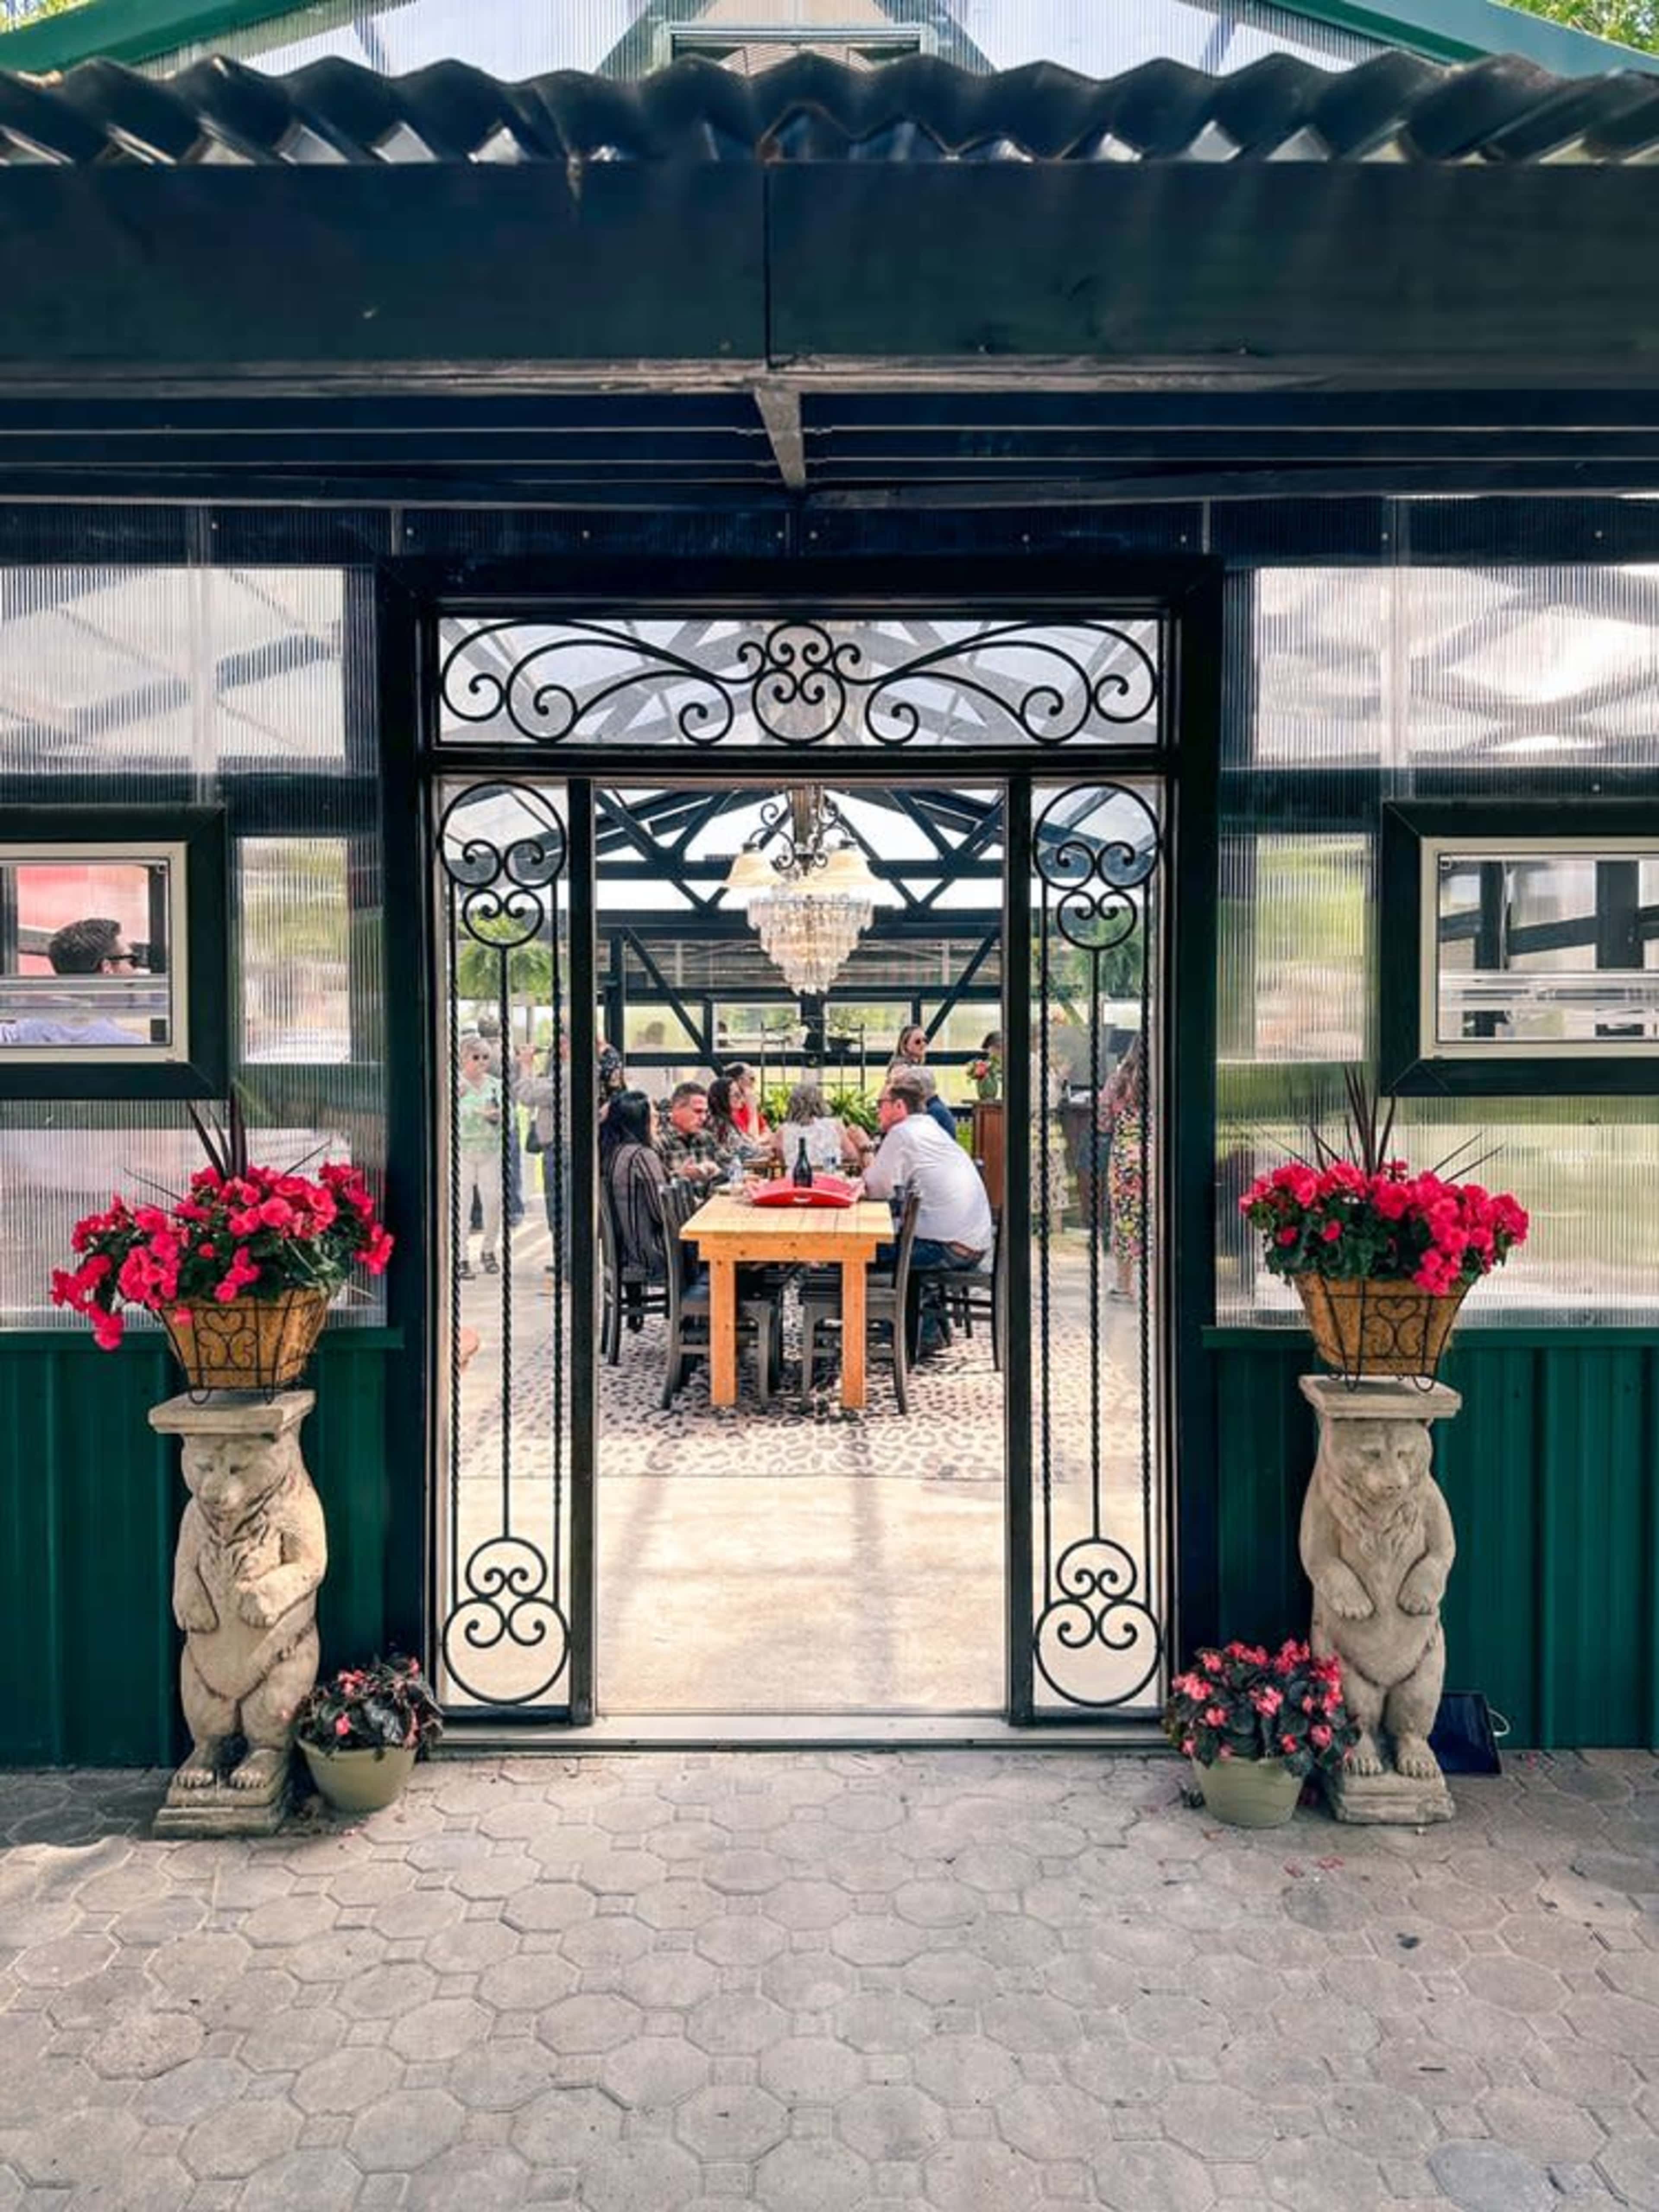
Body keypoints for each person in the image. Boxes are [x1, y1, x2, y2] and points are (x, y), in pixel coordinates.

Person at [861, 1069, 994, 1279]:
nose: (877, 1111)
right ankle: (909, 1309)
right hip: (973, 1244)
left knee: (851, 1251)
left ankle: (860, 1309)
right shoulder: (930, 1127)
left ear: (899, 1106)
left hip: (947, 1250)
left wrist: (865, 1150)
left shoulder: (903, 1133)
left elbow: (873, 1189)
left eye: (880, 1104)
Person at [2, 916, 147, 1046]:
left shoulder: (17, 1037)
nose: (135, 972)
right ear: (107, 967)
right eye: (132, 961)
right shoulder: (132, 1047)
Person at [601, 1089, 671, 1321]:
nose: (658, 1118)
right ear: (640, 1121)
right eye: (653, 1115)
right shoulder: (642, 1156)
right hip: (649, 1252)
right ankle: (699, 1323)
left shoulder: (612, 1153)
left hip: (625, 1250)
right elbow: (662, 1214)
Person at [455, 1034, 504, 1279]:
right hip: (463, 1150)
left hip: (490, 1150)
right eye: (477, 1057)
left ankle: (488, 1250)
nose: (482, 1062)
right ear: (464, 1058)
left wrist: (497, 1117)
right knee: (462, 1204)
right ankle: (461, 1256)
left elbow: (509, 1118)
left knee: (493, 1203)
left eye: (486, 1057)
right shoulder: (456, 1086)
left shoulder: (495, 1085)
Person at [1102, 1033, 1146, 1301]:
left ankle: (1124, 1284)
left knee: (1125, 1218)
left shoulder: (1118, 1081)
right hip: (1154, 1155)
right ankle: (1156, 1284)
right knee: (1154, 1218)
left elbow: (1103, 1121)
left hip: (1123, 1159)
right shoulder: (1163, 1078)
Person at [769, 1080, 872, 1176]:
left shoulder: (783, 1131)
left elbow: (781, 1159)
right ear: (820, 1103)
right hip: (831, 1183)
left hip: (797, 1184)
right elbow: (852, 1156)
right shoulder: (835, 1126)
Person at [655, 1081, 728, 1181]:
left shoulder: (707, 1138)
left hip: (712, 1197)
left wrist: (718, 1171)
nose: (704, 1118)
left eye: (706, 1112)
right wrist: (681, 1176)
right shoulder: (658, 1142)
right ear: (676, 1109)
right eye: (698, 1112)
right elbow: (653, 1186)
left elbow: (732, 1166)